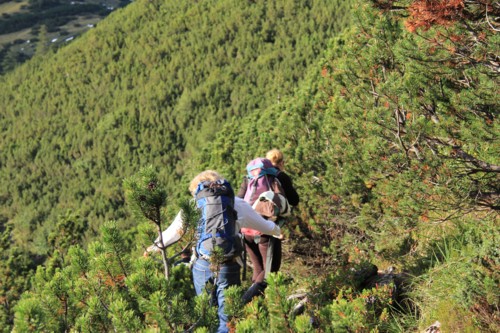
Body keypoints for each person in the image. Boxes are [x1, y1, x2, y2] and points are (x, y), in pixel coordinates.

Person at [145, 170, 282, 333]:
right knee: (228, 318)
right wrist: (277, 231)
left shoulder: (193, 205)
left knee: (206, 315)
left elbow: (172, 234)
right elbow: (263, 225)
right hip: (228, 265)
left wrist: (151, 248)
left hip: (203, 264)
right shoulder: (236, 203)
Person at [237, 150, 299, 303]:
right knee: (270, 273)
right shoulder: (278, 177)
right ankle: (244, 303)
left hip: (246, 231)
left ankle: (254, 309)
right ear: (281, 162)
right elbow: (294, 200)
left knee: (258, 270)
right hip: (266, 230)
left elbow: (238, 200)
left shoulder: (248, 179)